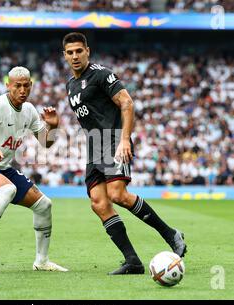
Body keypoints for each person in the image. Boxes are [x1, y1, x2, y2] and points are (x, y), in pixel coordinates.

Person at [62, 32, 187, 275]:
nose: (75, 56)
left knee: (117, 194)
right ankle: (133, 261)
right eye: (70, 52)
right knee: (99, 203)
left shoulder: (101, 74)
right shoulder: (70, 85)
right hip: (94, 148)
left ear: (87, 51)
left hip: (113, 142)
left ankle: (171, 234)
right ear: (64, 56)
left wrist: (124, 140)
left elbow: (127, 103)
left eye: (79, 50)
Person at [0, 66, 68, 274]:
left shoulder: (28, 110)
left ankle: (42, 261)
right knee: (7, 190)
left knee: (44, 205)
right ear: (7, 85)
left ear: (31, 86)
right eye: (17, 86)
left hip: (2, 168)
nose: (22, 90)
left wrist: (53, 126)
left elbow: (46, 142)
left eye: (26, 86)